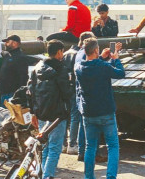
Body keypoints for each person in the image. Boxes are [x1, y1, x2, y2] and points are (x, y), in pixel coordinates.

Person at [76, 38, 125, 179]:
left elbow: (92, 65)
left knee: (90, 147)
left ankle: (89, 177)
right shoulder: (103, 67)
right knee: (113, 146)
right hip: (106, 112)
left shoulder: (78, 68)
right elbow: (120, 73)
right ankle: (110, 177)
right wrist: (115, 59)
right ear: (96, 50)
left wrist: (101, 57)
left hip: (88, 112)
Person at [28, 39, 75, 179]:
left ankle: (42, 173)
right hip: (58, 115)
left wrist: (33, 112)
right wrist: (72, 85)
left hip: (41, 112)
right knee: (55, 148)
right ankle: (47, 175)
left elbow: (29, 91)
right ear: (59, 52)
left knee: (46, 146)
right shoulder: (61, 69)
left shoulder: (37, 67)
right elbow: (67, 93)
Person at [63, 31, 96, 157]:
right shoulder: (80, 54)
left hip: (65, 88)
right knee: (76, 117)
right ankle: (72, 144)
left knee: (66, 116)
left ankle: (64, 144)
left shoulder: (66, 53)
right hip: (75, 89)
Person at [0, 35, 39, 105]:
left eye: (7, 42)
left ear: (15, 43)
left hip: (12, 94)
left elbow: (23, 77)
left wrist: (19, 95)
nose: (5, 44)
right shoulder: (7, 54)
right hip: (3, 93)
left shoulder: (20, 58)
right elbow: (0, 52)